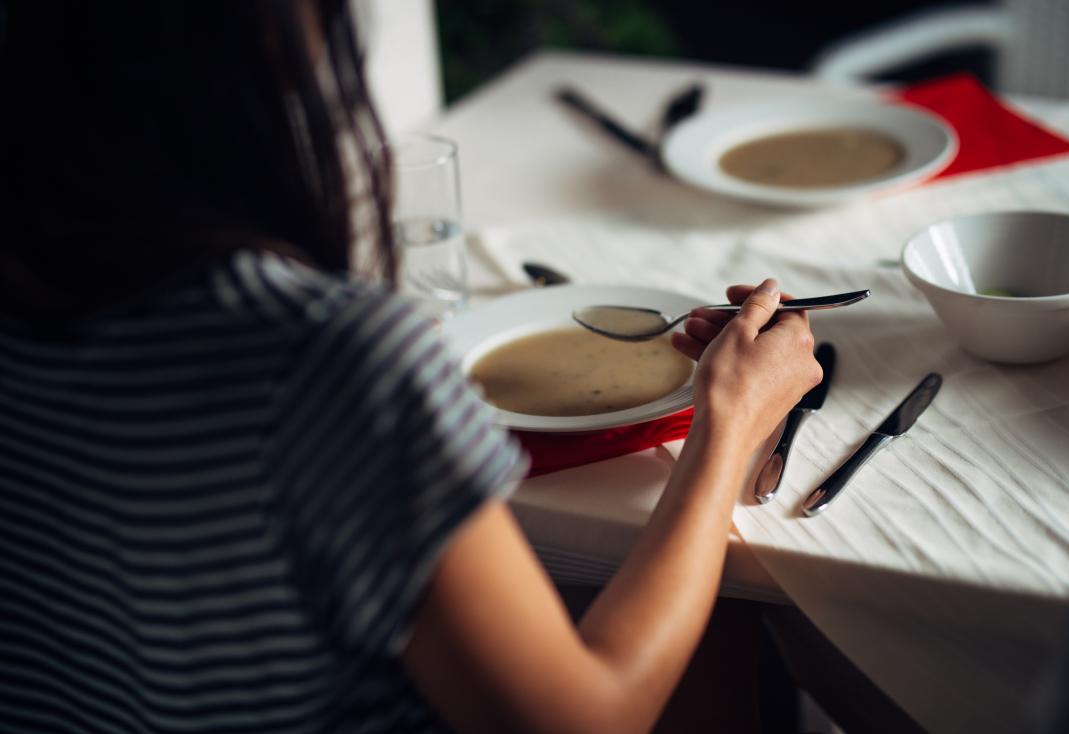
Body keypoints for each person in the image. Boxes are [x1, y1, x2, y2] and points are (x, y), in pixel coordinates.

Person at [0, 2, 821, 732]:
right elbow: (588, 717)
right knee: (729, 614)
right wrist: (732, 423)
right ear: (284, 50)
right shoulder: (321, 357)